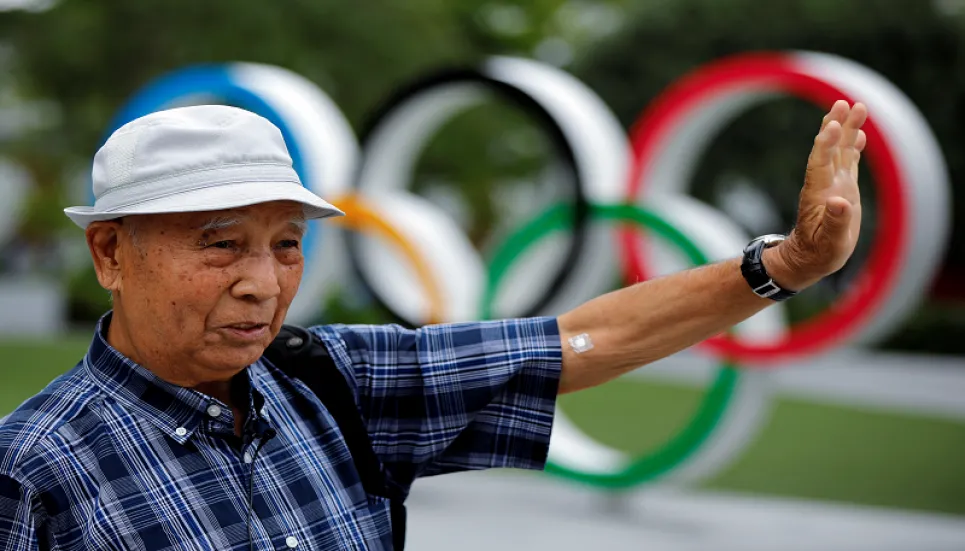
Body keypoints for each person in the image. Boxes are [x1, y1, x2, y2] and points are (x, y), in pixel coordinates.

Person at [0, 99, 867, 550]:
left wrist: (782, 266)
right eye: (221, 245)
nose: (262, 284)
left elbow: (569, 343)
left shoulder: (329, 382)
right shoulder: (33, 470)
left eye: (287, 245)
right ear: (110, 253)